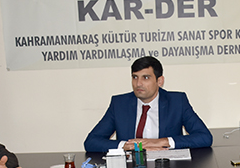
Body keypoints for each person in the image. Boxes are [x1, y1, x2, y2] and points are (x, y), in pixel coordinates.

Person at [84, 56, 213, 152]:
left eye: (145, 78)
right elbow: (91, 141)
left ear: (159, 81)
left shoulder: (177, 102)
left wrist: (162, 142)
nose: (138, 83)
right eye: (135, 77)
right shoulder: (119, 104)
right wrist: (127, 146)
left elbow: (204, 137)